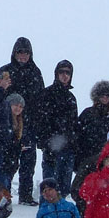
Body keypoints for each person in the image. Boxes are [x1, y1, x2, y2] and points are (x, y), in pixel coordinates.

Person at [0, 38, 45, 204]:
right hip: (10, 124)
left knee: (28, 162)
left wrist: (38, 123)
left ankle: (25, 195)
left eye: (26, 52)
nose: (23, 55)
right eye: (20, 52)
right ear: (14, 53)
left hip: (29, 124)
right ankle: (4, 194)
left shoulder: (35, 73)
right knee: (9, 161)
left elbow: (41, 99)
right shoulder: (6, 71)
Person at [30, 60, 77, 198]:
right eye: (61, 72)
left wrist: (73, 143)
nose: (64, 75)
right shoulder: (46, 94)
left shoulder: (71, 98)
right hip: (51, 148)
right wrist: (45, 143)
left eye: (67, 72)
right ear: (56, 74)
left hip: (68, 149)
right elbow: (39, 121)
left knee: (64, 189)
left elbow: (74, 124)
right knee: (49, 189)